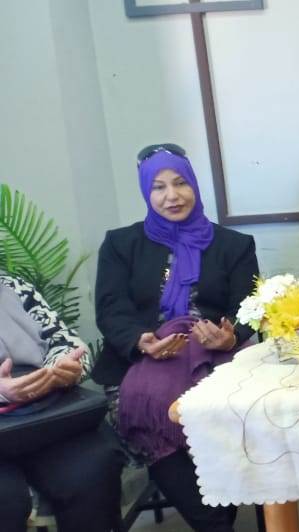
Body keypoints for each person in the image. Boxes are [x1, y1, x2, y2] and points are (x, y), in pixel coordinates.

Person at [94, 143, 259, 532]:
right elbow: (111, 309)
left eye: (180, 183)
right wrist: (141, 339)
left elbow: (251, 306)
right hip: (140, 368)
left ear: (194, 185)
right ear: (145, 191)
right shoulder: (120, 245)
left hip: (213, 362)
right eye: (159, 187)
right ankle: (215, 521)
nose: (172, 196)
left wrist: (229, 336)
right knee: (154, 421)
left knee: (222, 417)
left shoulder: (234, 245)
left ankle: (218, 517)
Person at [0, 274, 123, 532]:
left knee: (94, 467)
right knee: (7, 500)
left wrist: (62, 368)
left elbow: (66, 342)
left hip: (43, 413)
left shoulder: (12, 286)